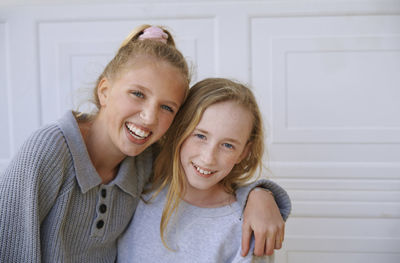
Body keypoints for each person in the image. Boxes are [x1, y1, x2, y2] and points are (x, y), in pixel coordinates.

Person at [0, 25, 290, 262]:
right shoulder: (49, 150)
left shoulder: (145, 159)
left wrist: (261, 194)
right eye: (137, 94)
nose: (149, 117)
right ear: (105, 90)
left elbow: (204, 170)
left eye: (167, 107)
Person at [118, 78, 285, 262]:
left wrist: (260, 193)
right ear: (179, 130)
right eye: (200, 135)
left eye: (228, 145)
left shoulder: (248, 228)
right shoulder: (138, 186)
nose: (208, 158)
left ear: (243, 152)